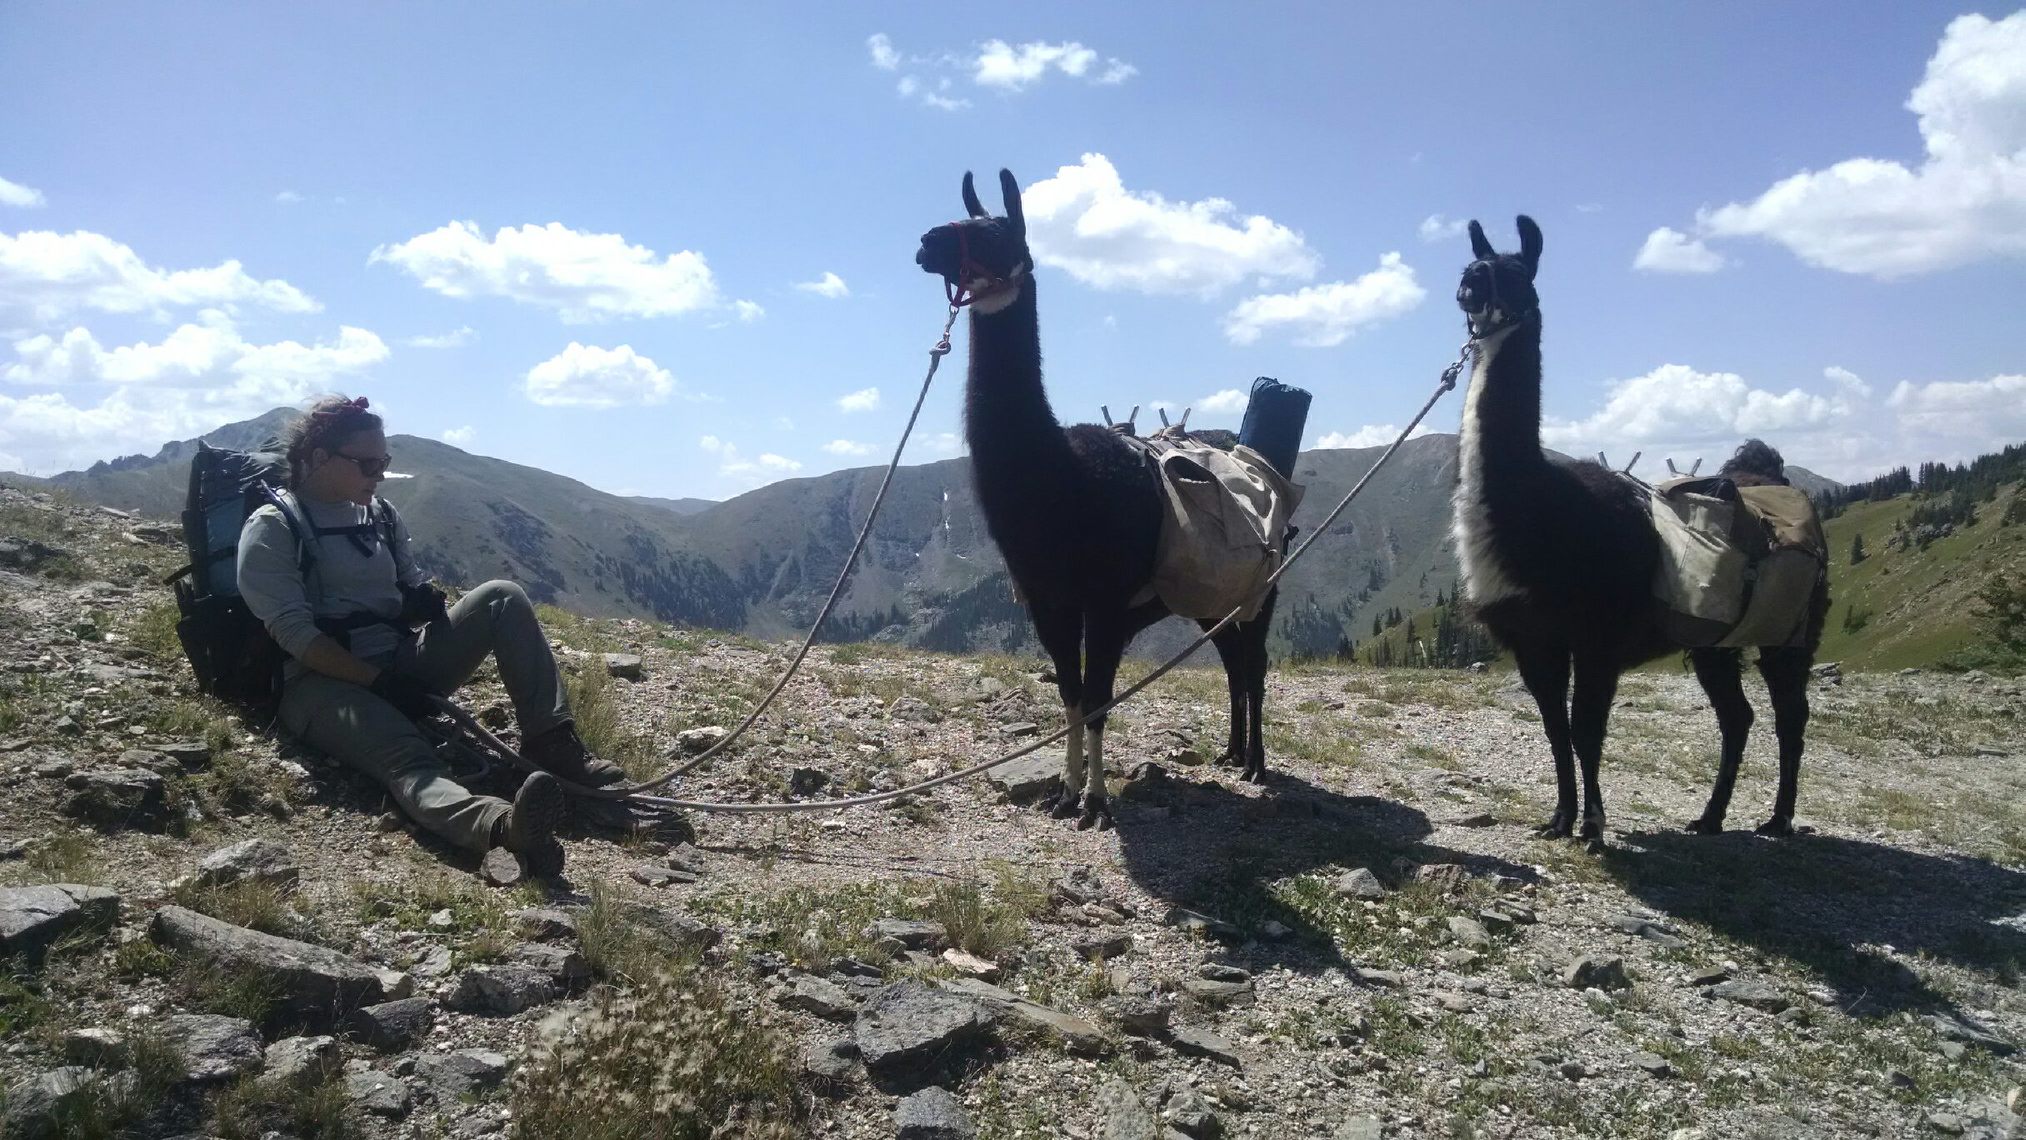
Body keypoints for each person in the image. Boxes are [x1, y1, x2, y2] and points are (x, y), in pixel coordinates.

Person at [236, 394, 628, 876]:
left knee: (501, 595)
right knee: (407, 757)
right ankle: (501, 828)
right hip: (318, 684)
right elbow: (296, 636)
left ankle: (551, 741)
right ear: (319, 459)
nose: (378, 473)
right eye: (367, 463)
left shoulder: (378, 514)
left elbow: (405, 582)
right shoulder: (274, 526)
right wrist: (377, 682)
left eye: (384, 461)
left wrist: (418, 599)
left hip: (397, 665)